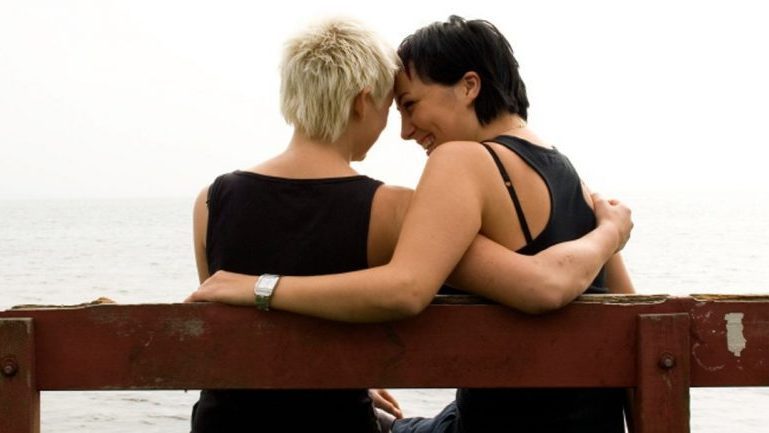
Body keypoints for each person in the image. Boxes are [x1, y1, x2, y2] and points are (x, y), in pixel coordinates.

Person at [188, 15, 633, 433]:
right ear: (364, 102)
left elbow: (411, 287)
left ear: (469, 86)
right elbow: (632, 311)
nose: (402, 130)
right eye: (392, 106)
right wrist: (609, 232)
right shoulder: (572, 176)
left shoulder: (210, 200)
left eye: (410, 104)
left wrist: (261, 286)